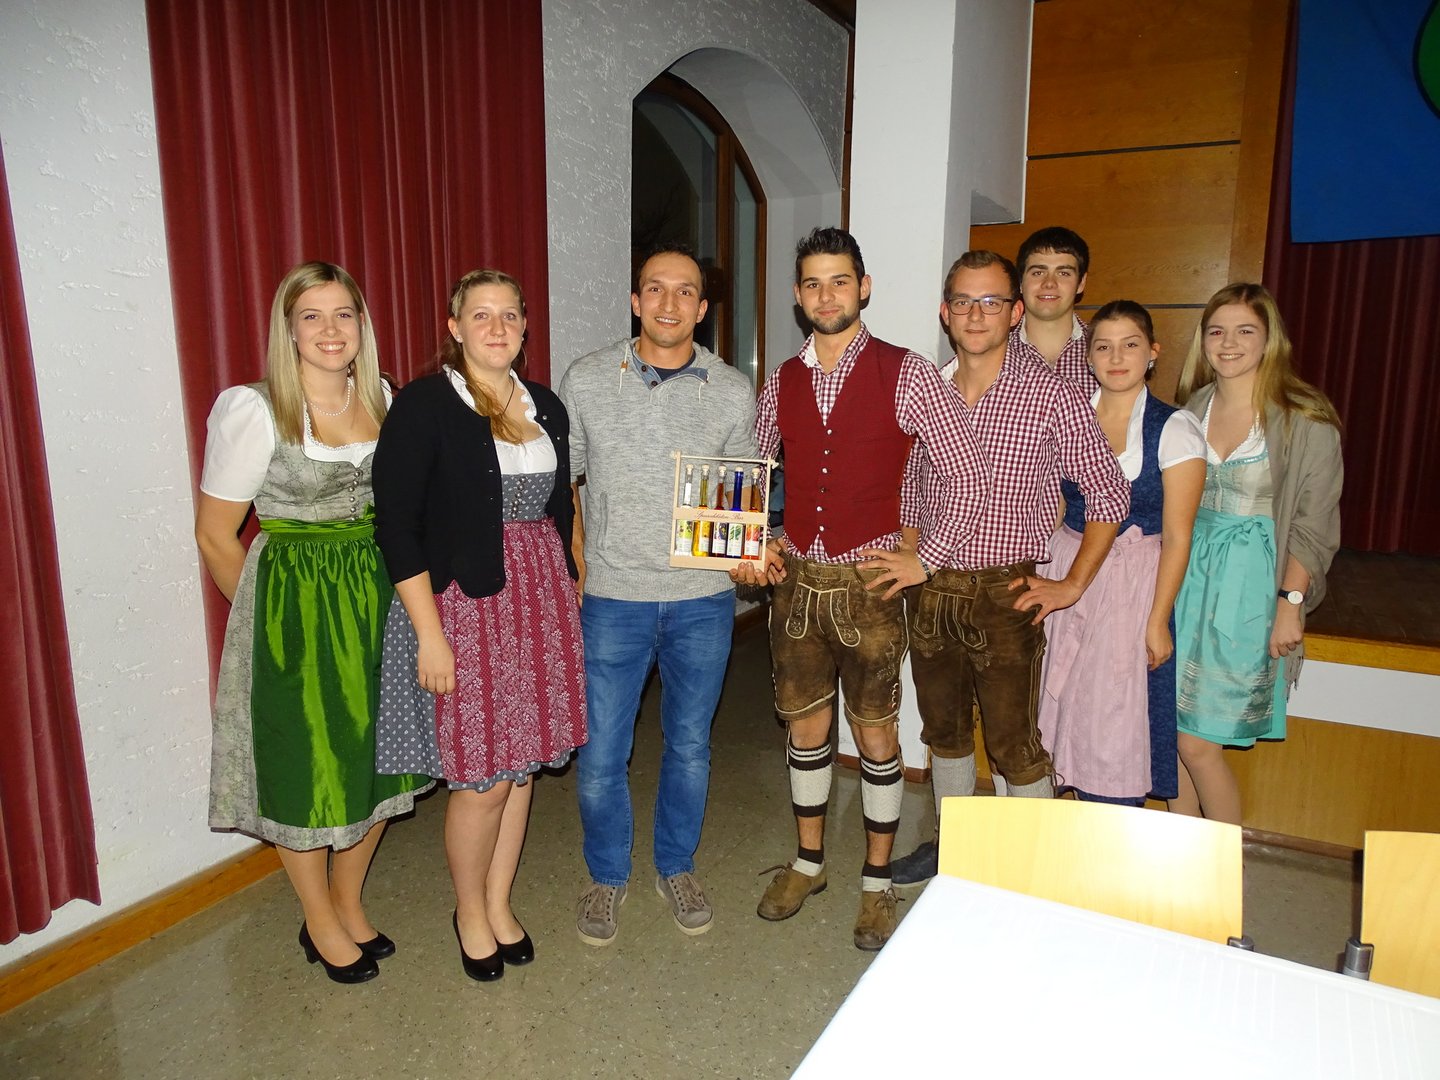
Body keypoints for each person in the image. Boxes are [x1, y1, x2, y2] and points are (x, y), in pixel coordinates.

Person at [740, 227, 989, 951]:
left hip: (869, 586)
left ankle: (877, 883)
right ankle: (808, 863)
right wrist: (756, 539)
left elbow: (968, 475)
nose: (827, 296)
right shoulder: (780, 381)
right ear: (798, 295)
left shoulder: (907, 372)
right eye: (814, 283)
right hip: (798, 587)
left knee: (876, 732)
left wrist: (926, 560)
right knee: (805, 727)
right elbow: (751, 475)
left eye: (840, 281)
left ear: (864, 287)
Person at [196, 260, 430, 985]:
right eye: (312, 316)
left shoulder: (386, 398)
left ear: (362, 324)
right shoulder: (255, 410)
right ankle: (318, 917)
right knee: (306, 770)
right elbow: (215, 535)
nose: (331, 330)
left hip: (379, 599)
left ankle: (348, 900)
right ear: (289, 330)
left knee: (383, 759)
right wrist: (270, 627)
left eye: (343, 314)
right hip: (295, 610)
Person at [888, 250, 1129, 885]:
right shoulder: (928, 390)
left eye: (991, 301)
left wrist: (1072, 584)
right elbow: (912, 485)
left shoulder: (1051, 394)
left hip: (1005, 592)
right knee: (943, 734)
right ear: (945, 313)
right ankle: (954, 852)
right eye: (963, 302)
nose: (976, 314)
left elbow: (1109, 493)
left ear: (1015, 311)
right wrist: (911, 555)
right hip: (932, 589)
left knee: (1014, 742)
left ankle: (1031, 875)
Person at [372, 269, 586, 981]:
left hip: (538, 600)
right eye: (481, 315)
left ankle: (499, 901)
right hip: (466, 607)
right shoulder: (425, 405)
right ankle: (468, 909)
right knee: (483, 780)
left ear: (525, 327)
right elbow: (397, 526)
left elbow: (561, 505)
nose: (497, 328)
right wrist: (429, 635)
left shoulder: (544, 405)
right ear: (455, 327)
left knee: (521, 772)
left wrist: (570, 582)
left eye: (510, 316)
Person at [558, 243, 757, 947]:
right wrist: (578, 562)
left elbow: (739, 500)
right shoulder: (586, 379)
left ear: (702, 308)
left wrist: (748, 555)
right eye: (655, 289)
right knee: (601, 757)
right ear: (636, 300)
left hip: (703, 599)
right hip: (613, 597)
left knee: (690, 747)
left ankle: (677, 866)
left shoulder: (732, 391)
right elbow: (565, 481)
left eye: (685, 292)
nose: (669, 303)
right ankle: (606, 875)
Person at [1170, 283, 1342, 823]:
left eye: (1245, 331)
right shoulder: (1191, 409)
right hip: (1186, 579)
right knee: (1171, 734)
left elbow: (1314, 525)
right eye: (1216, 331)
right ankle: (1177, 865)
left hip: (1250, 588)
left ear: (1270, 339)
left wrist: (1290, 603)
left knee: (1199, 744)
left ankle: (1223, 867)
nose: (1228, 343)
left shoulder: (1304, 418)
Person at [1035, 301, 1205, 805]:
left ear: (1152, 352)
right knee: (1061, 705)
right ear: (1088, 357)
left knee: (1114, 716)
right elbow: (1055, 503)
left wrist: (1157, 621)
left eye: (1130, 345)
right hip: (1069, 565)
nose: (1116, 358)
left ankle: (1110, 822)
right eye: (1103, 347)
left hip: (1134, 583)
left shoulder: (1174, 427)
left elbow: (1178, 536)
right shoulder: (1070, 418)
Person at [1013, 226, 1098, 392]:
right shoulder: (995, 353)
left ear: (1081, 282)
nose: (1049, 283)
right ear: (1020, 282)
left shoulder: (1106, 351)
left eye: (1063, 273)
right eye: (1038, 273)